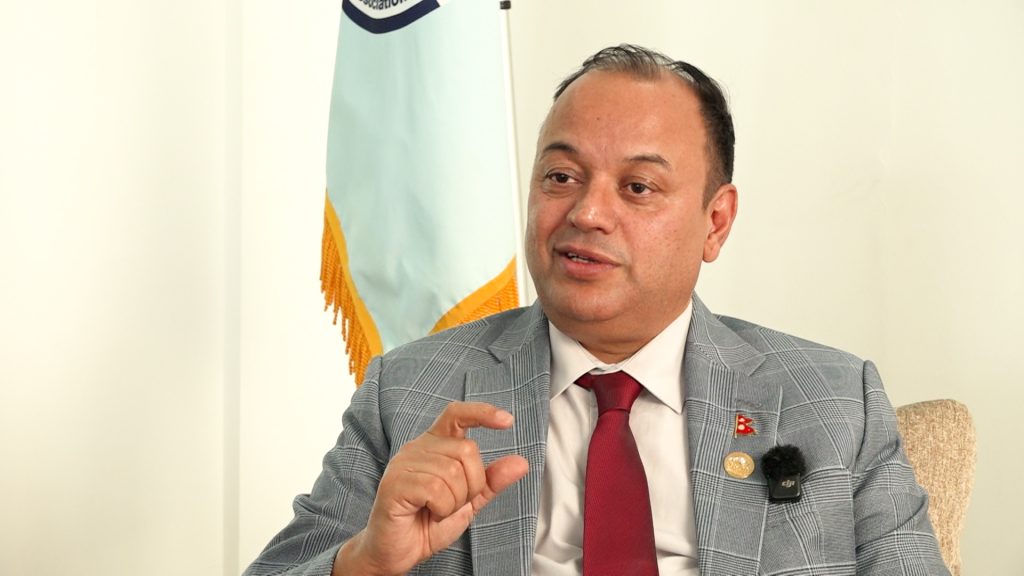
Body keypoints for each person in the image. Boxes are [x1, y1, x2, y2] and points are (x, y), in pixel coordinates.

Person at [245, 45, 948, 576]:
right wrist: (366, 561)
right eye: (561, 176)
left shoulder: (835, 402)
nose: (586, 213)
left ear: (715, 223)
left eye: (638, 187)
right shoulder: (412, 392)